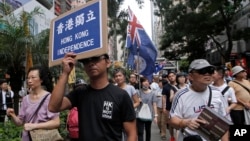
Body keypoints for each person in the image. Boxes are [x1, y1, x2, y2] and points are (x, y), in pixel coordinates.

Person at [48, 52, 137, 141]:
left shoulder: (121, 95)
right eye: (86, 61)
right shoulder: (79, 93)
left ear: (108, 62)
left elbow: (132, 134)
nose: (91, 63)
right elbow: (53, 107)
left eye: (96, 58)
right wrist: (65, 73)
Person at [169, 59, 228, 141]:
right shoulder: (181, 95)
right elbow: (172, 119)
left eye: (210, 71)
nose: (207, 74)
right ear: (191, 76)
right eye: (202, 71)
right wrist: (186, 122)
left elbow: (223, 124)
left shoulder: (217, 93)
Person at [6, 66, 60, 141]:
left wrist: (34, 126)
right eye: (28, 78)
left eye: (33, 77)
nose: (29, 81)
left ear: (41, 80)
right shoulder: (25, 99)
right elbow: (20, 122)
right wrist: (13, 115)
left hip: (44, 138)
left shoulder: (49, 98)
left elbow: (56, 122)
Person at [136, 76, 158, 141]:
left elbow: (154, 104)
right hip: (139, 115)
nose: (146, 83)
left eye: (147, 81)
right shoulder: (138, 92)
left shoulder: (153, 93)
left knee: (148, 131)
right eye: (144, 81)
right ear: (141, 83)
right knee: (140, 132)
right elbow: (134, 103)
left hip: (149, 115)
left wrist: (155, 116)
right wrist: (138, 100)